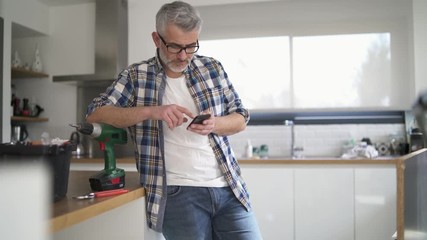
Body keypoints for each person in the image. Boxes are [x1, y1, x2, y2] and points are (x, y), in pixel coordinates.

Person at [86, 1, 262, 239]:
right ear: (156, 39)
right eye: (175, 47)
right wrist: (151, 111)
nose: (183, 56)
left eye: (191, 47)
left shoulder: (212, 68)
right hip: (178, 193)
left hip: (229, 188)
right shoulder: (136, 76)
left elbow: (241, 118)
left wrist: (215, 123)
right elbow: (95, 113)